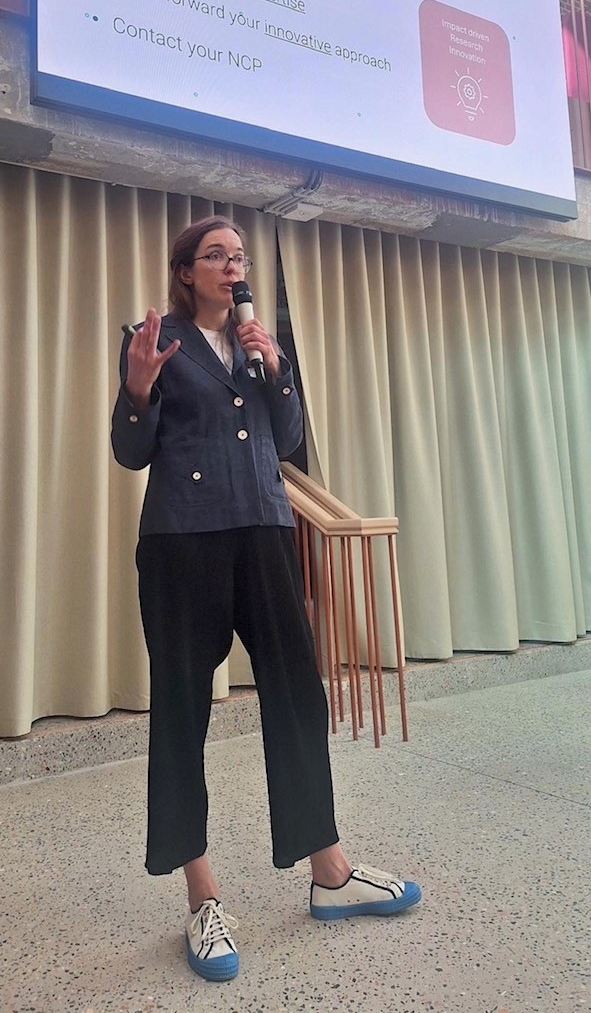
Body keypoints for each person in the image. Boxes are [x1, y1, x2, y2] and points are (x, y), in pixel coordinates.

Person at [111, 215, 421, 984]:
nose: (233, 267)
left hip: (265, 531)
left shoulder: (259, 345)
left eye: (239, 256)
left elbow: (285, 440)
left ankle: (330, 873)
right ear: (185, 271)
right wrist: (138, 388)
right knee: (182, 710)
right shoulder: (154, 340)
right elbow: (130, 452)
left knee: (297, 698)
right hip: (183, 541)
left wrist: (277, 369)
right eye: (216, 256)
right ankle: (202, 897)